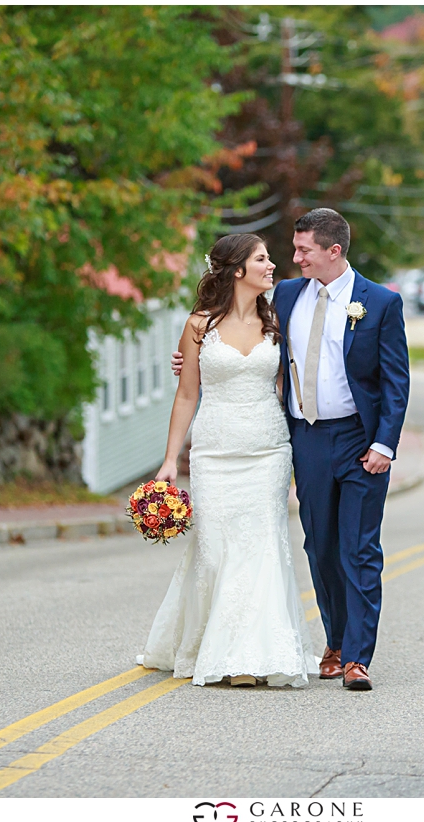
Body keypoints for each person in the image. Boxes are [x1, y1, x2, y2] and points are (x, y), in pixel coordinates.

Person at [172, 209, 410, 691]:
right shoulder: (284, 296)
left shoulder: (381, 303)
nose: (292, 258)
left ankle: (358, 658)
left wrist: (385, 442)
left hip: (362, 440)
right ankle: (336, 640)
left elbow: (395, 381)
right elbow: (236, 336)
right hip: (305, 438)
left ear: (333, 251)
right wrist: (190, 358)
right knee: (320, 546)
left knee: (360, 548)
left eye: (303, 250)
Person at [137, 233, 319, 688]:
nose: (273, 264)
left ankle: (246, 658)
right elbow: (186, 394)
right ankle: (206, 643)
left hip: (267, 451)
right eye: (262, 258)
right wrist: (168, 460)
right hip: (215, 453)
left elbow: (301, 375)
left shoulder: (279, 319)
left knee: (259, 551)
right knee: (216, 551)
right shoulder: (199, 325)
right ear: (237, 269)